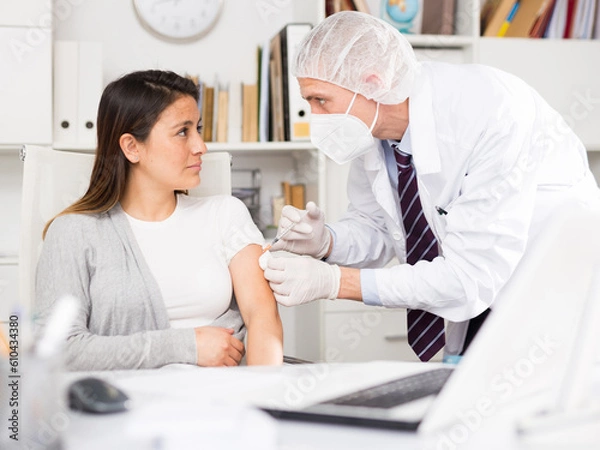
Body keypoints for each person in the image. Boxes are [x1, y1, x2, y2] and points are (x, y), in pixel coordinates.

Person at [262, 11, 600, 363]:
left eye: (320, 100)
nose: (316, 117)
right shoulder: (374, 134)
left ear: (374, 83)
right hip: (477, 300)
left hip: (551, 294)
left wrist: (335, 283)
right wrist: (327, 241)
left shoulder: (492, 113)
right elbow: (377, 228)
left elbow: (468, 277)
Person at [35, 70, 283, 370]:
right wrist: (185, 346)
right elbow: (60, 349)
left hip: (221, 399)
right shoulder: (74, 232)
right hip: (121, 406)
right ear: (131, 147)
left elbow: (262, 318)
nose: (200, 146)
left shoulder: (226, 214)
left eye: (198, 129)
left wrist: (265, 396)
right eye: (183, 132)